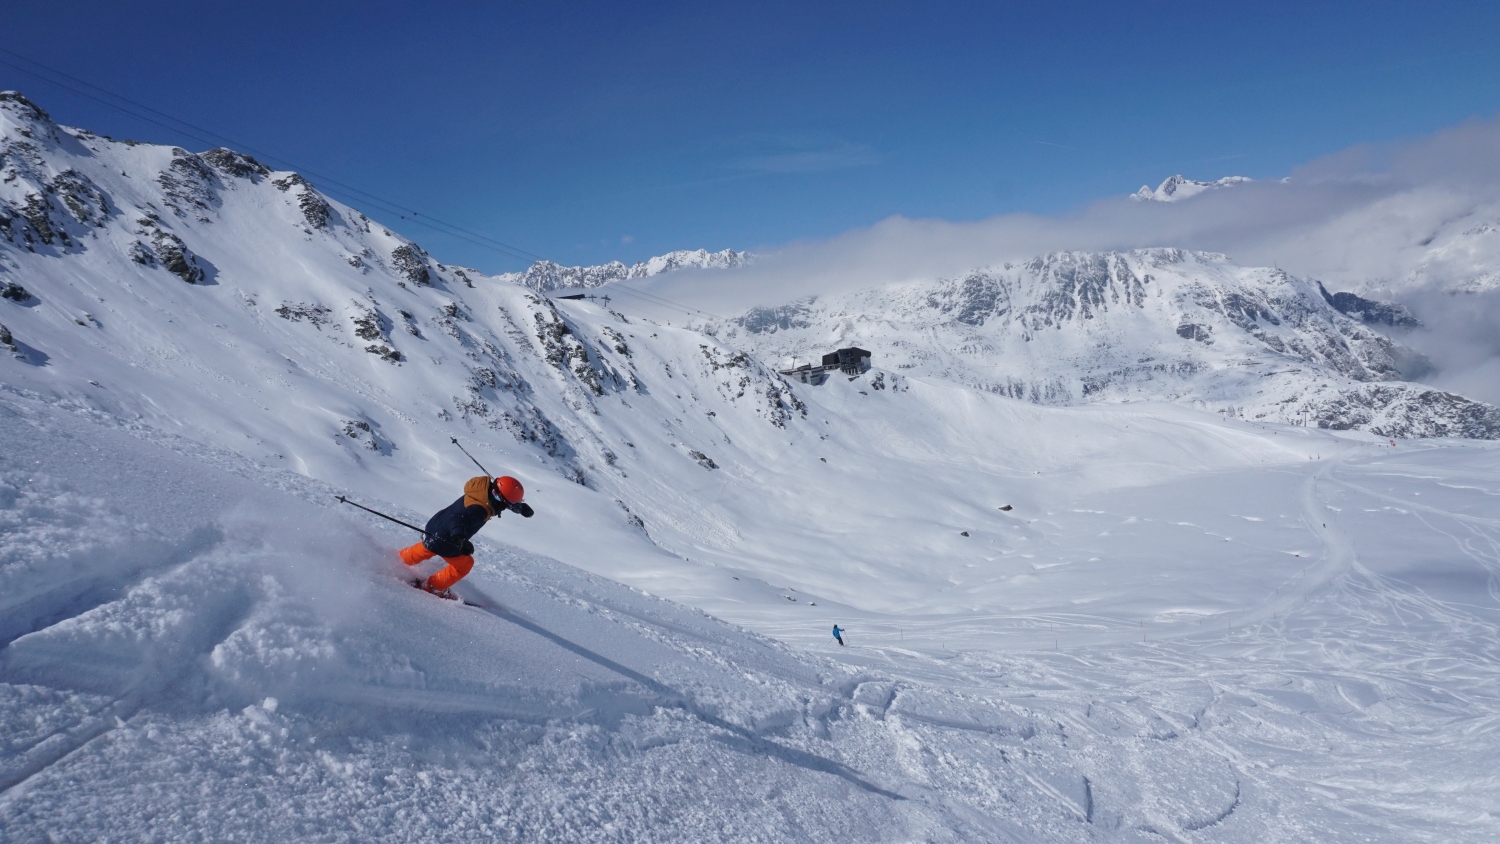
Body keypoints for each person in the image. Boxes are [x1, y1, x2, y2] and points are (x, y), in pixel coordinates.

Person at [399, 475, 533, 596]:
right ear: (501, 501)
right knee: (465, 565)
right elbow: (457, 519)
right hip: (448, 537)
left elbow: (501, 495)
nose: (507, 507)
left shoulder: (482, 490)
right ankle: (432, 586)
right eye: (510, 505)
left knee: (428, 547)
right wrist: (460, 538)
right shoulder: (479, 509)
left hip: (435, 525)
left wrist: (519, 508)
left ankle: (397, 560)